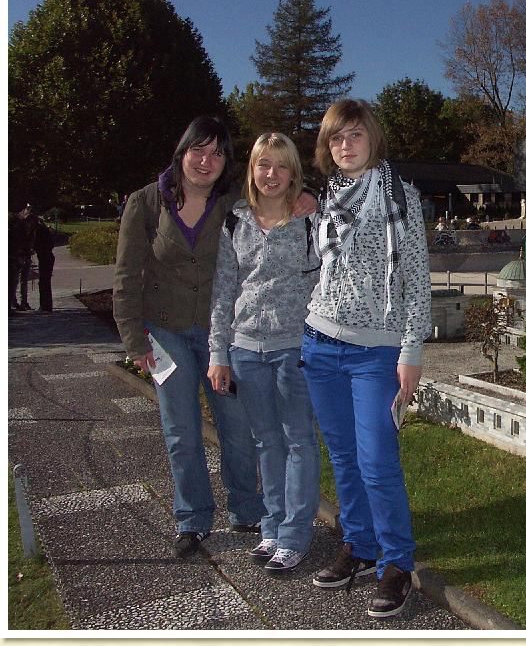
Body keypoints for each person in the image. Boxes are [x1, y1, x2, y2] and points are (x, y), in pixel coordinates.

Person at [113, 116, 272, 559]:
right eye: (198, 150)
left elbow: (282, 193)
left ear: (227, 161)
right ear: (182, 152)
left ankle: (247, 509)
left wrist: (308, 197)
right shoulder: (146, 202)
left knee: (236, 427)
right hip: (165, 334)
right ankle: (192, 518)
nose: (206, 161)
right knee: (181, 430)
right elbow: (126, 275)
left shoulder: (235, 204)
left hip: (221, 334)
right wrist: (134, 340)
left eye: (217, 153)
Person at [302, 99, 431, 619]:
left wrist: (411, 351)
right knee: (343, 457)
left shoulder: (400, 196)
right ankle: (359, 545)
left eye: (354, 134)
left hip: (375, 351)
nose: (345, 145)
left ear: (372, 138)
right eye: (336, 138)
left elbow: (416, 279)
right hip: (320, 343)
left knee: (377, 462)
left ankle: (396, 562)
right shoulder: (329, 197)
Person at [206, 133, 321, 574]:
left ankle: (295, 534)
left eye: (281, 165)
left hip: (294, 347)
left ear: (293, 172)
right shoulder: (236, 221)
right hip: (245, 349)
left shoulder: (311, 219)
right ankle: (272, 526)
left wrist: (315, 197)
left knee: (298, 440)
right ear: (252, 170)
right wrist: (218, 352)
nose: (271, 174)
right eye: (263, 164)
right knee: (266, 441)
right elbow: (223, 290)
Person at [9, 204, 35, 312]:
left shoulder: (27, 226)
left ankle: (22, 302)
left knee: (21, 280)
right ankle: (13, 303)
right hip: (18, 256)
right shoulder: (17, 226)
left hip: (24, 256)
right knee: (13, 280)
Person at [31, 212, 54, 312]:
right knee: (45, 281)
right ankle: (46, 305)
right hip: (47, 256)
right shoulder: (43, 229)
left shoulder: (39, 231)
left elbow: (36, 244)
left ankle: (45, 306)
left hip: (45, 257)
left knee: (44, 282)